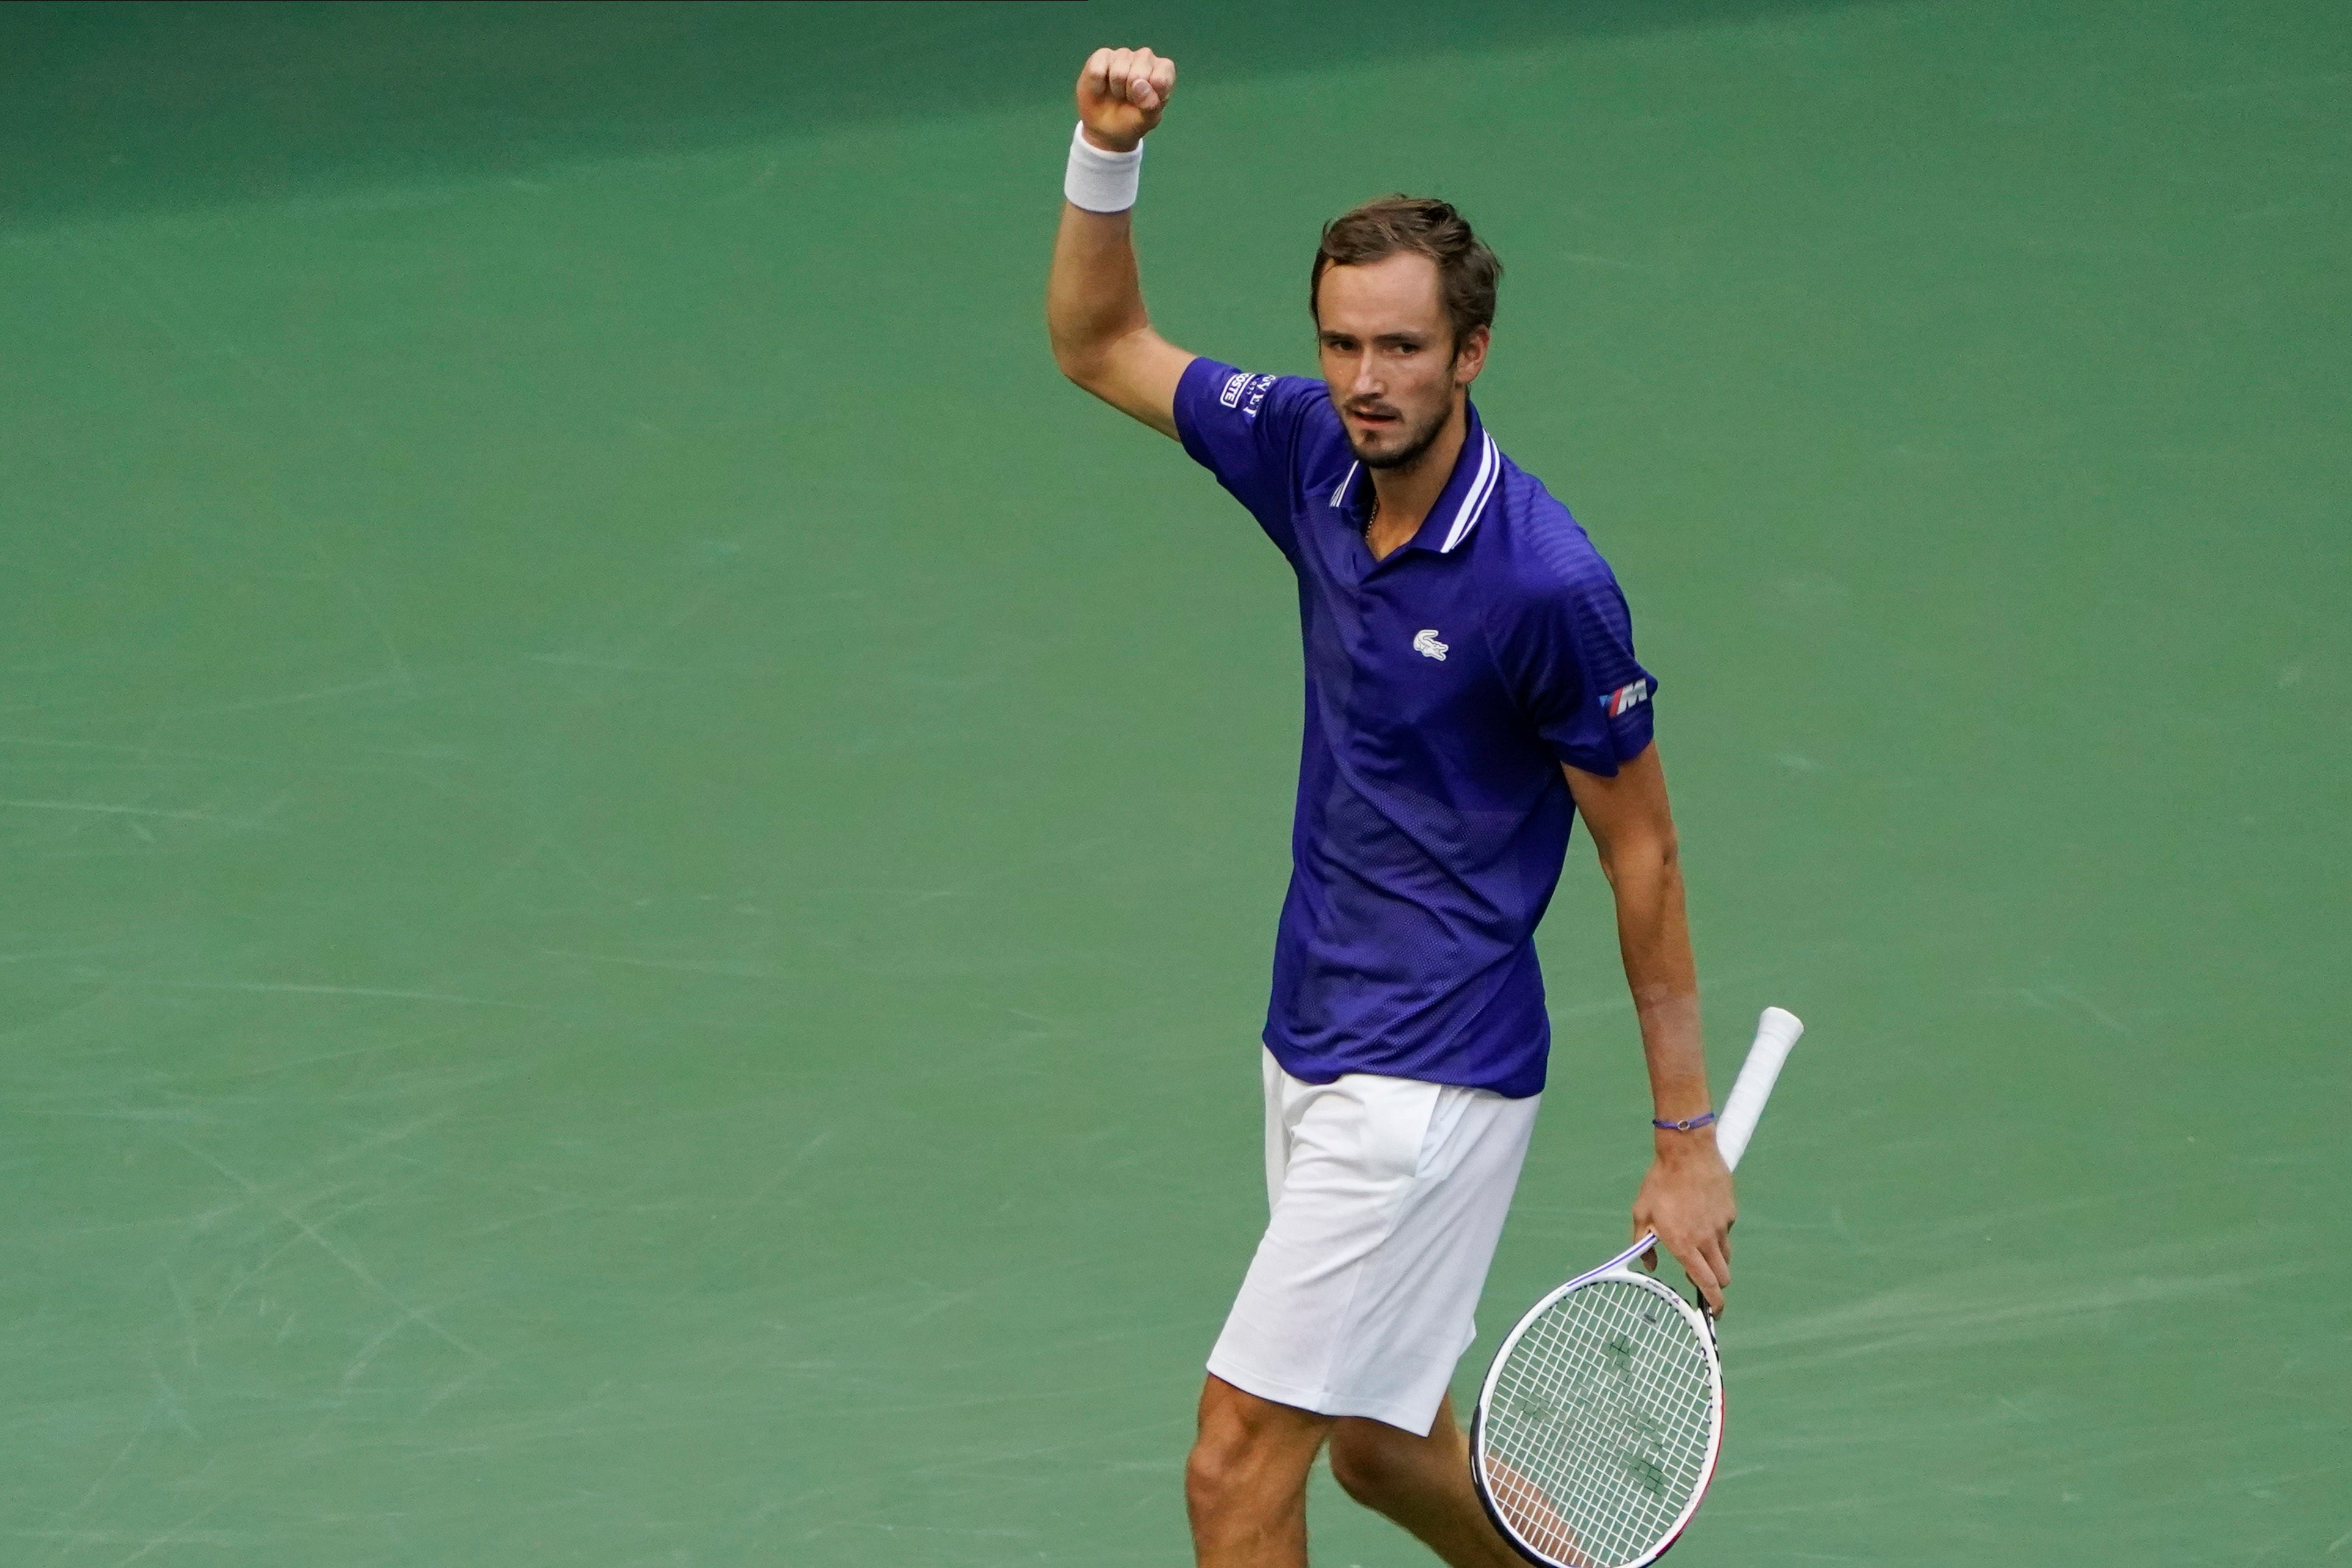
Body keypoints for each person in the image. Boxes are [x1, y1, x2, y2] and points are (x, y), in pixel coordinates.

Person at [1045, 46, 1737, 1568]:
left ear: (1470, 351)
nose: (1366, 380)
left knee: (1236, 1466)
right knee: (1377, 1445)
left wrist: (1682, 1129)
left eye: (1403, 349)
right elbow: (1100, 342)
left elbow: (1645, 847)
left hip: (1428, 1081)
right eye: (1343, 344)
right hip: (1315, 1032)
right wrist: (1107, 153)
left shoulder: (1547, 587)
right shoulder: (1307, 451)